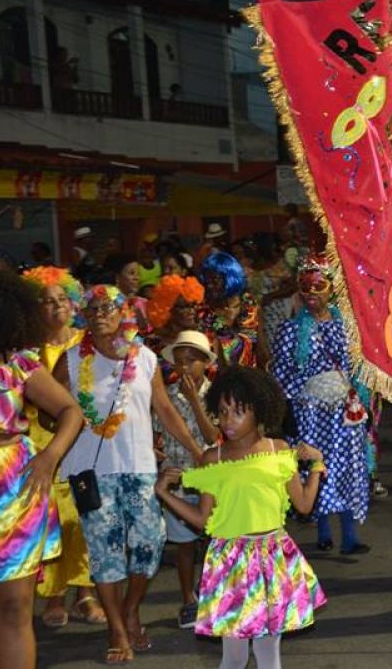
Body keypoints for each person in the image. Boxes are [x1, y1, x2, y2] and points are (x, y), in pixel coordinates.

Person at [56, 285, 205, 664]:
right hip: (92, 472)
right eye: (92, 308)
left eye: (108, 307)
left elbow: (166, 411)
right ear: (84, 316)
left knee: (149, 547)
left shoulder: (147, 358)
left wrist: (195, 449)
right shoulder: (71, 361)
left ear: (124, 311)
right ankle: (118, 630)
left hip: (140, 469)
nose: (99, 313)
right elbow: (52, 410)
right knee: (106, 556)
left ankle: (130, 608)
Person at [155, 366, 326, 669]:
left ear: (259, 411)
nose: (228, 420)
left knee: (268, 651)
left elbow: (302, 504)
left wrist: (316, 466)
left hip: (273, 556)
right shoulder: (214, 458)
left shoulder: (279, 450)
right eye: (221, 412)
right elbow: (202, 519)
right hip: (231, 560)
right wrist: (164, 494)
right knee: (233, 655)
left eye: (238, 412)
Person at [0, 270, 85, 669]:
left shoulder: (17, 364)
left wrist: (49, 457)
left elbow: (71, 411)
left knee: (15, 607)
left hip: (14, 490)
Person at [20, 267, 105, 629]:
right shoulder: (25, 349)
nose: (55, 308)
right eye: (47, 302)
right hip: (42, 442)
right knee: (54, 519)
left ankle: (86, 592)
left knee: (86, 516)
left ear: (73, 304)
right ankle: (54, 595)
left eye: (61, 300)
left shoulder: (91, 342)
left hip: (88, 439)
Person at [271, 258, 371, 554]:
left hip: (345, 412)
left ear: (332, 289)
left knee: (348, 468)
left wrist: (362, 401)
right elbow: (280, 374)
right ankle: (324, 532)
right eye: (305, 286)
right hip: (310, 412)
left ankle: (350, 536)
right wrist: (294, 407)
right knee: (317, 466)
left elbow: (359, 367)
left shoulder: (348, 328)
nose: (311, 292)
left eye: (319, 286)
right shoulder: (290, 330)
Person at [157, 330, 220, 629]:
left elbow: (213, 437)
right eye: (179, 362)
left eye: (191, 361)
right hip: (178, 481)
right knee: (184, 546)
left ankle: (213, 593)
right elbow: (158, 433)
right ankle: (188, 600)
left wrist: (195, 401)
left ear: (206, 363)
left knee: (213, 542)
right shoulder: (166, 398)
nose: (184, 367)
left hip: (211, 481)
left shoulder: (216, 396)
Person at [198, 252, 262, 368]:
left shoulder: (248, 304)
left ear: (229, 278)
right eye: (207, 282)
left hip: (246, 374)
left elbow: (254, 346)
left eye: (215, 281)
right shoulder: (204, 309)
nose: (210, 286)